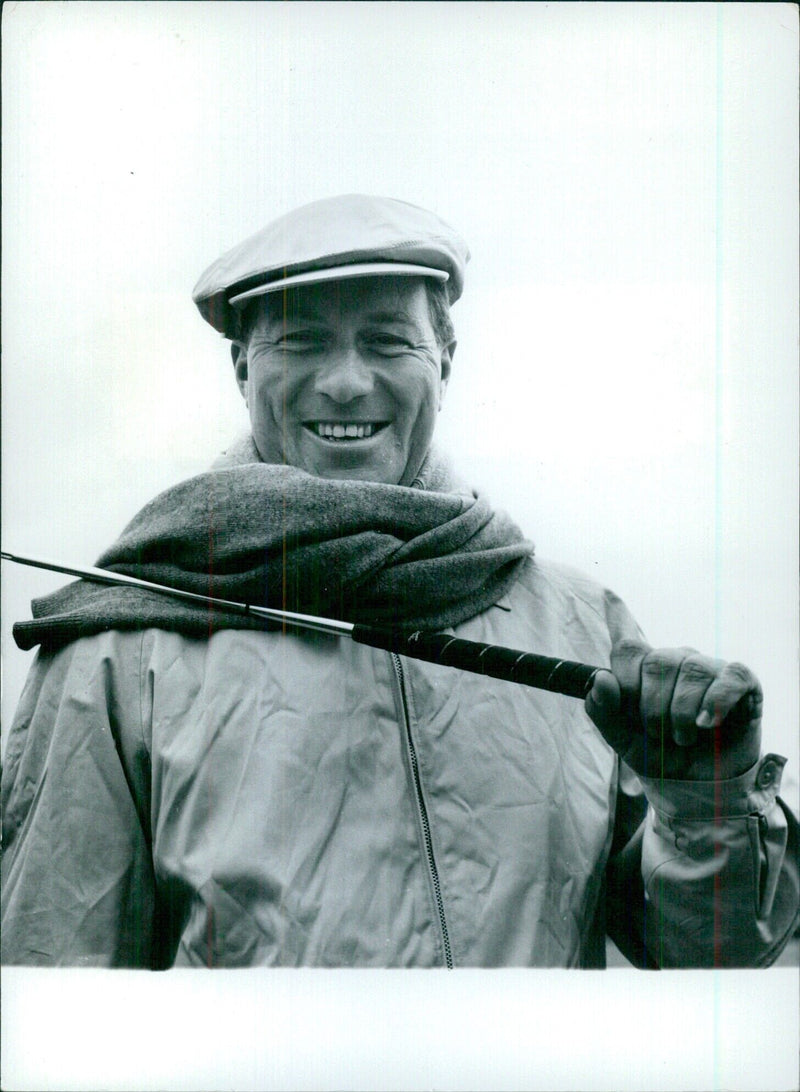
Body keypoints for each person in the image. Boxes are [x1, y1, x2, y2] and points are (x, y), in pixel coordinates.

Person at [2, 194, 797, 968]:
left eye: (387, 342)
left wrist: (705, 805)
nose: (346, 382)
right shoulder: (116, 643)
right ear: (243, 367)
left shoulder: (582, 623)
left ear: (444, 362)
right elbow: (54, 982)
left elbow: (711, 960)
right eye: (302, 341)